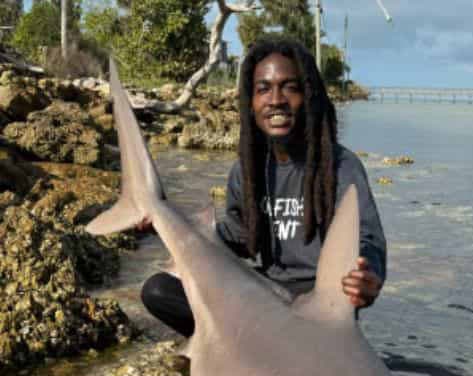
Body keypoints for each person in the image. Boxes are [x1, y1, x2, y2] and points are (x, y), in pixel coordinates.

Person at [139, 37, 387, 336]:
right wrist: (168, 226)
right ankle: (241, 346)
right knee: (159, 290)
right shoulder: (248, 169)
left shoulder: (340, 166)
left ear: (309, 96)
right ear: (251, 102)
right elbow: (239, 237)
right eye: (263, 89)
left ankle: (254, 343)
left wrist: (367, 274)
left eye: (290, 87)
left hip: (321, 303)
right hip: (267, 293)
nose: (276, 100)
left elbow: (367, 239)